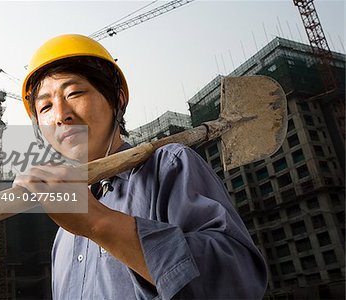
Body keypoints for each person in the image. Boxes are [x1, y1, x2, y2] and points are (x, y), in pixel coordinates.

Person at [14, 34, 267, 299]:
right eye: (44, 107)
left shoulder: (169, 166)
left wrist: (97, 221)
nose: (60, 115)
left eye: (74, 93)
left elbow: (238, 283)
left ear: (117, 98)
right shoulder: (63, 236)